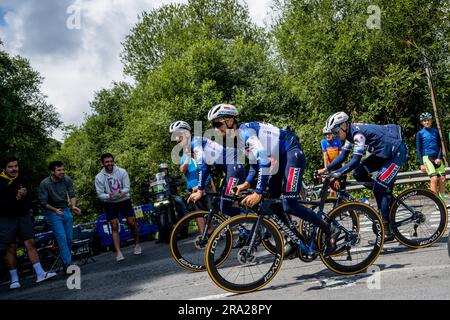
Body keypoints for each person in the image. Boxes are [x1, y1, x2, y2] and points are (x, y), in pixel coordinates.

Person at [194, 104, 340, 257]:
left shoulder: (245, 132)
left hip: (291, 153)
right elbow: (254, 165)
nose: (216, 129)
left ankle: (330, 230)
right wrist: (246, 184)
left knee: (289, 204)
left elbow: (263, 161)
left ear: (230, 121)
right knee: (273, 202)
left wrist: (258, 192)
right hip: (280, 157)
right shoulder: (237, 139)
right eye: (213, 125)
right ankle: (293, 238)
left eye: (218, 124)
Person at [319, 112, 408, 240]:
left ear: (344, 126)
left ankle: (386, 229)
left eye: (336, 132)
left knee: (379, 188)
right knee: (358, 173)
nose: (335, 136)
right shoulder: (350, 134)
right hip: (383, 154)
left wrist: (338, 173)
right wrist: (326, 169)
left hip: (396, 153)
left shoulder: (357, 135)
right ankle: (385, 197)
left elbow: (355, 161)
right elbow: (343, 156)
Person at [0, 156, 56, 289]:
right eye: (11, 167)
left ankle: (40, 273)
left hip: (23, 215)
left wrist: (24, 198)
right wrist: (17, 198)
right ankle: (14, 279)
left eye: (16, 166)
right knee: (10, 247)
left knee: (30, 242)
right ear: (4, 168)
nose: (14, 169)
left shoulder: (23, 179)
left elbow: (30, 197)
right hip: (6, 218)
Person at [95, 153, 141, 261]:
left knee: (132, 222)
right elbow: (100, 194)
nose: (109, 163)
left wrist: (122, 192)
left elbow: (127, 187)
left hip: (124, 199)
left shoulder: (122, 171)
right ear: (103, 163)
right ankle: (119, 253)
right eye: (107, 162)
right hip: (110, 202)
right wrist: (108, 195)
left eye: (111, 161)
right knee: (114, 225)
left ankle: (137, 245)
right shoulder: (99, 177)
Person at [39, 160, 81, 269]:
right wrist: (55, 210)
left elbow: (72, 194)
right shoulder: (45, 183)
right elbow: (43, 203)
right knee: (61, 238)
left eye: (63, 169)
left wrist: (73, 206)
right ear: (52, 172)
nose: (62, 172)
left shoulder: (67, 179)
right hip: (52, 212)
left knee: (69, 238)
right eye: (59, 170)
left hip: (65, 210)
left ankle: (66, 261)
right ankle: (68, 264)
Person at [416, 112, 446, 201]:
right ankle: (437, 201)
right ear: (422, 122)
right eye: (424, 121)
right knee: (434, 178)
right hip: (427, 158)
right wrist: (421, 163)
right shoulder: (420, 133)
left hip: (436, 158)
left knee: (443, 179)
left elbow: (440, 146)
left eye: (428, 120)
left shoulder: (436, 131)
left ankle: (442, 201)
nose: (426, 122)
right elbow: (418, 149)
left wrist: (439, 157)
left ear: (431, 121)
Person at [320, 127, 342, 197]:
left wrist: (343, 166)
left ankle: (339, 201)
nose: (327, 136)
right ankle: (334, 202)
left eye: (329, 134)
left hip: (338, 165)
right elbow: (325, 156)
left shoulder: (337, 141)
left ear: (332, 134)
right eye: (326, 134)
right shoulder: (323, 142)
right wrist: (326, 170)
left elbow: (340, 154)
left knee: (338, 185)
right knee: (332, 187)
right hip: (330, 166)